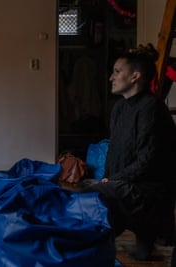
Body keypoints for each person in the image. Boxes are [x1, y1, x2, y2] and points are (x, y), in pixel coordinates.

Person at [86, 44, 176, 260]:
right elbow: (115, 152)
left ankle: (152, 230)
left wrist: (111, 182)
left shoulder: (151, 108)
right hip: (125, 184)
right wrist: (106, 178)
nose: (111, 77)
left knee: (96, 192)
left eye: (117, 72)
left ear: (135, 76)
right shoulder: (119, 108)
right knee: (89, 190)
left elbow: (147, 160)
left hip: (151, 191)